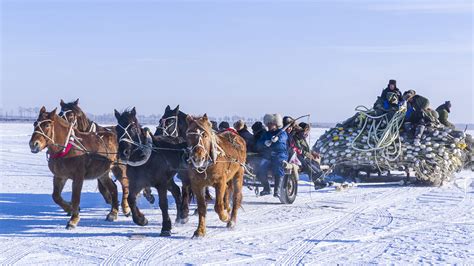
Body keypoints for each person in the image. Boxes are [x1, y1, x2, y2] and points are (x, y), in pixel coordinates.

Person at [256, 114, 288, 197]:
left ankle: (277, 190)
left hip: (280, 155)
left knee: (278, 168)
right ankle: (266, 188)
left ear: (276, 123)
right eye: (268, 124)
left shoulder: (282, 133)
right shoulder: (266, 134)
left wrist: (277, 139)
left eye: (271, 124)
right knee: (259, 170)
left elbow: (282, 140)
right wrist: (264, 143)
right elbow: (259, 143)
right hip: (267, 156)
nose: (269, 125)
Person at [289, 123, 327, 189]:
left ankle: (320, 181)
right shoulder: (296, 137)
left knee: (315, 163)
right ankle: (317, 180)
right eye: (306, 130)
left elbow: (306, 149)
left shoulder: (302, 138)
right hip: (297, 156)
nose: (307, 132)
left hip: (304, 155)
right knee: (308, 165)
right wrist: (308, 154)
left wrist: (313, 153)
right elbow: (299, 149)